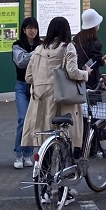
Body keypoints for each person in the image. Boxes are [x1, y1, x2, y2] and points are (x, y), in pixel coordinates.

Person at [21, 17, 90, 178]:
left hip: (39, 100)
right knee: (65, 141)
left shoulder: (38, 49)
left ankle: (45, 186)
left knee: (45, 142)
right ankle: (62, 186)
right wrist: (85, 74)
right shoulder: (67, 48)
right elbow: (72, 72)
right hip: (61, 101)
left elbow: (28, 77)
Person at [11, 17, 40, 168]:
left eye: (34, 28)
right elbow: (21, 62)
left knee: (32, 121)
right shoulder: (17, 45)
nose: (32, 31)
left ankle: (28, 154)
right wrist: (36, 53)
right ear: (24, 30)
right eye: (29, 28)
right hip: (22, 86)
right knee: (22, 119)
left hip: (36, 86)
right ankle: (18, 154)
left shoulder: (41, 45)